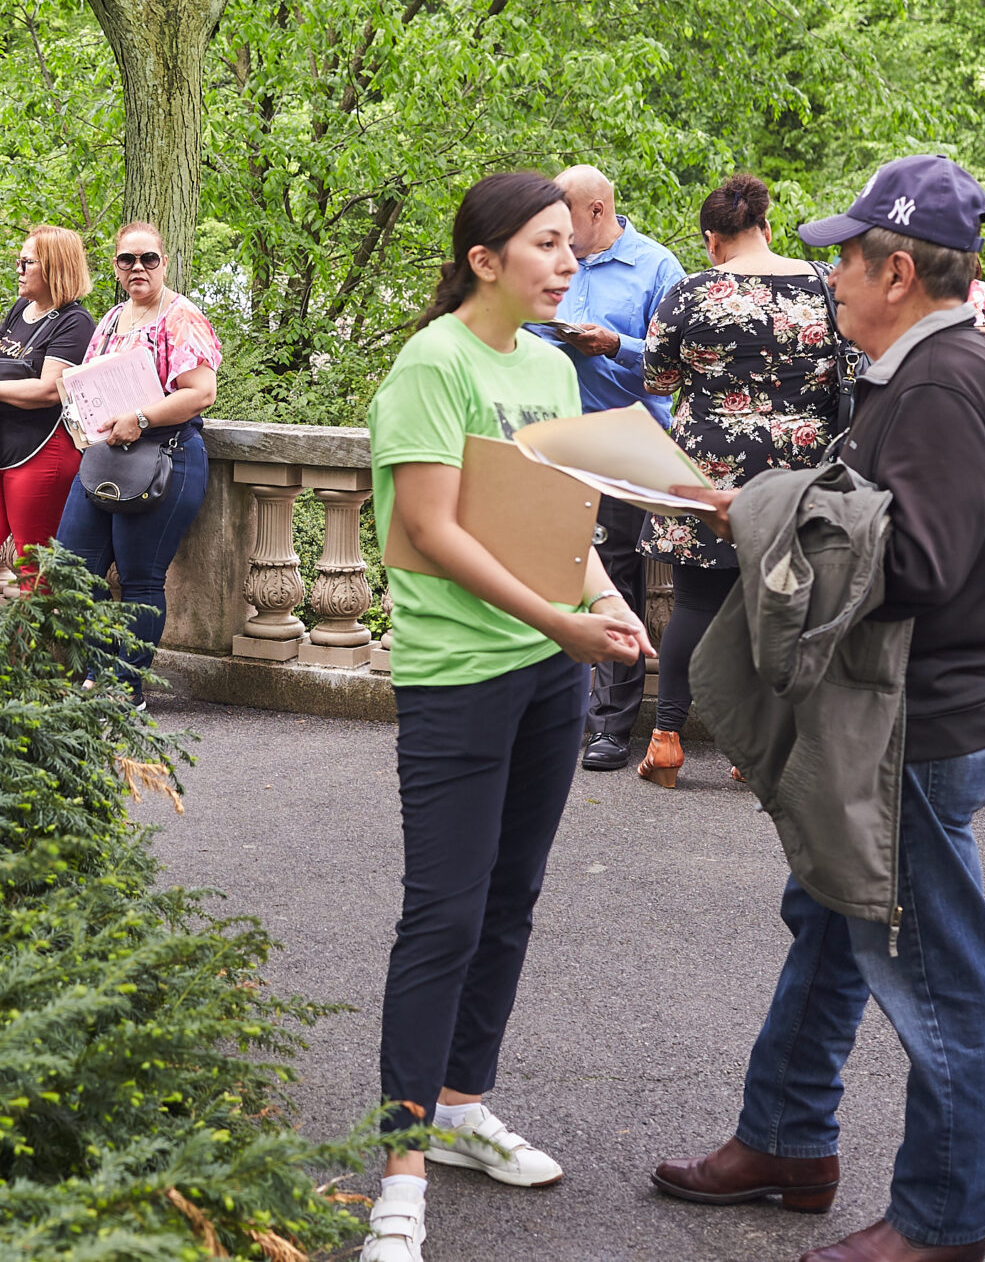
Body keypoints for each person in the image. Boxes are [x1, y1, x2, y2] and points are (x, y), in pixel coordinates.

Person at [654, 155, 985, 1262]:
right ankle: (783, 1141)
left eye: (843, 261)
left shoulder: (941, 383)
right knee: (825, 926)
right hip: (895, 721)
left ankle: (938, 1224)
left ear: (898, 271)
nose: (829, 281)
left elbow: (912, 561)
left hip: (909, 730)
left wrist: (761, 508)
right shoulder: (927, 374)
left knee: (939, 989)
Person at [357, 171, 653, 1262]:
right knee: (441, 914)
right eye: (544, 243)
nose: (569, 258)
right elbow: (433, 531)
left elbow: (559, 527)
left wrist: (608, 614)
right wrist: (561, 625)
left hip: (547, 672)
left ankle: (459, 1107)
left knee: (511, 899)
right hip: (458, 675)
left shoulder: (548, 367)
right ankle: (397, 1172)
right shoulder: (431, 363)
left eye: (571, 241)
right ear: (484, 259)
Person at [634, 174, 849, 788]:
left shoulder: (691, 292)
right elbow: (850, 368)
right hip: (796, 469)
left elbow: (656, 378)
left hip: (708, 467)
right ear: (767, 228)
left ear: (712, 240)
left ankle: (668, 739)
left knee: (695, 605)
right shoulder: (821, 287)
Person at [525, 164, 685, 773]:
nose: (559, 237)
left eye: (567, 221)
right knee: (550, 571)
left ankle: (611, 727)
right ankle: (556, 712)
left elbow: (678, 360)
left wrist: (614, 345)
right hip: (553, 434)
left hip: (621, 443)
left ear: (596, 211)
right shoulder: (552, 261)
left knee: (615, 576)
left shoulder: (657, 267)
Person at [52, 222, 221, 696]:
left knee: (140, 578)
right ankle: (99, 670)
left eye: (149, 258)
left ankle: (126, 691)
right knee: (71, 569)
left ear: (165, 263)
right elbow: (84, 383)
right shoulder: (109, 321)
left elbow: (202, 392)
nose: (139, 268)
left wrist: (141, 419)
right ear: (116, 267)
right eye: (128, 260)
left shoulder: (181, 317)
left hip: (165, 459)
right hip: (107, 459)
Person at [0, 225, 95, 660]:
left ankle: (32, 664)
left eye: (27, 261)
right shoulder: (19, 309)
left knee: (34, 564)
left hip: (42, 453)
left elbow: (51, 390)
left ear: (53, 266)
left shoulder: (75, 321)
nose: (18, 269)